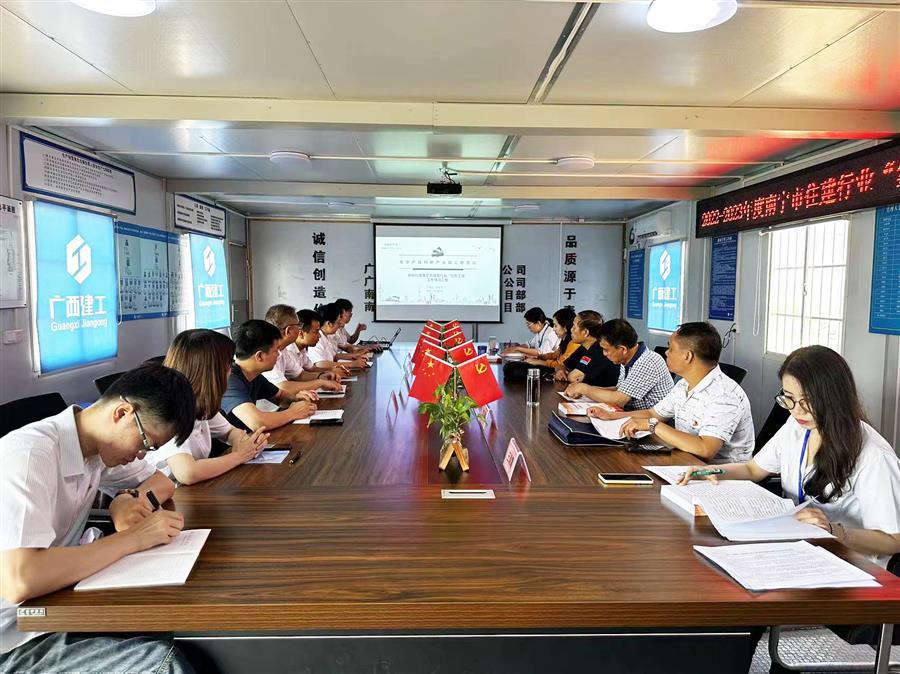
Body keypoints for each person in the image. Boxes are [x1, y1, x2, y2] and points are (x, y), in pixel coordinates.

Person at [679, 346, 900, 666]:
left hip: (853, 569)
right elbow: (754, 469)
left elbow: (893, 539)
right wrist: (710, 471)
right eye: (788, 399)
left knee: (744, 598)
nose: (796, 410)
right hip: (802, 551)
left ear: (833, 397)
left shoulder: (873, 456)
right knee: (721, 578)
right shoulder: (797, 428)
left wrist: (835, 531)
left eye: (806, 401)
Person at [0, 364, 196, 672]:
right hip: (13, 636)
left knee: (188, 634)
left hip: (56, 606)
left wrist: (125, 498)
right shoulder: (29, 456)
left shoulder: (94, 449)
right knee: (164, 663)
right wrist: (132, 538)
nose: (141, 455)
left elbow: (162, 483)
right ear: (122, 413)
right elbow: (19, 580)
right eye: (145, 444)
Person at [590, 322, 754, 463]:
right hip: (685, 461)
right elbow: (653, 414)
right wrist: (612, 416)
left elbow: (705, 449)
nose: (666, 353)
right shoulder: (684, 385)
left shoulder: (724, 395)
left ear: (687, 356)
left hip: (719, 476)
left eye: (671, 348)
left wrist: (653, 426)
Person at [144, 329, 270, 485]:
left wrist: (243, 442)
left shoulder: (200, 403)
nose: (230, 371)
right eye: (228, 365)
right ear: (213, 372)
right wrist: (239, 456)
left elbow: (229, 431)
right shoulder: (170, 409)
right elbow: (188, 473)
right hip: (167, 494)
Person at [221, 320, 318, 431]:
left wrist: (296, 398)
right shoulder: (230, 379)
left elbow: (280, 397)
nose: (279, 355)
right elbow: (257, 422)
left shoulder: (254, 376)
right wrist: (293, 413)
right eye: (276, 350)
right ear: (259, 356)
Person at [565, 318, 673, 410]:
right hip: (634, 415)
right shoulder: (627, 358)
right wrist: (585, 391)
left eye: (606, 350)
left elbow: (619, 400)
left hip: (653, 422)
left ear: (622, 349)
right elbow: (620, 389)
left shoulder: (647, 361)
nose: (604, 354)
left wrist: (584, 389)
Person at [263, 304, 343, 396]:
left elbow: (299, 375)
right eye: (298, 325)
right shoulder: (268, 352)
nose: (300, 329)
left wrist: (320, 376)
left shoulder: (283, 350)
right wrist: (319, 383)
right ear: (288, 331)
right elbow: (282, 387)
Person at [556, 310, 618, 386]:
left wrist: (567, 374)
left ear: (585, 332)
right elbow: (561, 365)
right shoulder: (584, 347)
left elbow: (573, 377)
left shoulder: (598, 349)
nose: (571, 330)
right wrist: (560, 371)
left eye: (574, 326)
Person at [308, 303, 367, 369]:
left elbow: (335, 356)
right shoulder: (316, 339)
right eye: (338, 322)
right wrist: (351, 364)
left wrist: (355, 356)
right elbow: (320, 364)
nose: (340, 324)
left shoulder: (328, 336)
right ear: (329, 324)